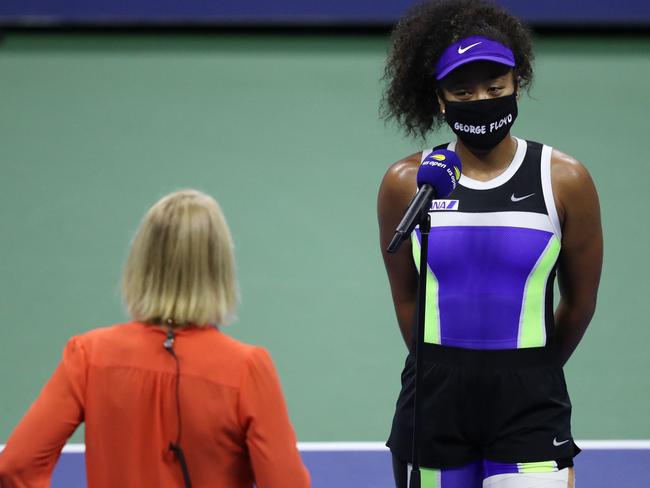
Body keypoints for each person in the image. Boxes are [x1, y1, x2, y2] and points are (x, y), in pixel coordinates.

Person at [377, 1, 602, 487]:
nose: (481, 98)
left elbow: (581, 300)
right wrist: (442, 367)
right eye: (462, 90)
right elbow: (405, 295)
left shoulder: (563, 180)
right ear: (440, 99)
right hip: (434, 402)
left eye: (494, 87)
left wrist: (529, 369)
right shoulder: (406, 183)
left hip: (529, 404)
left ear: (516, 83)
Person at [0, 189, 310, 488]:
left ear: (142, 263)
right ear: (220, 271)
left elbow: (15, 466)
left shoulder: (88, 355)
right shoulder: (247, 368)